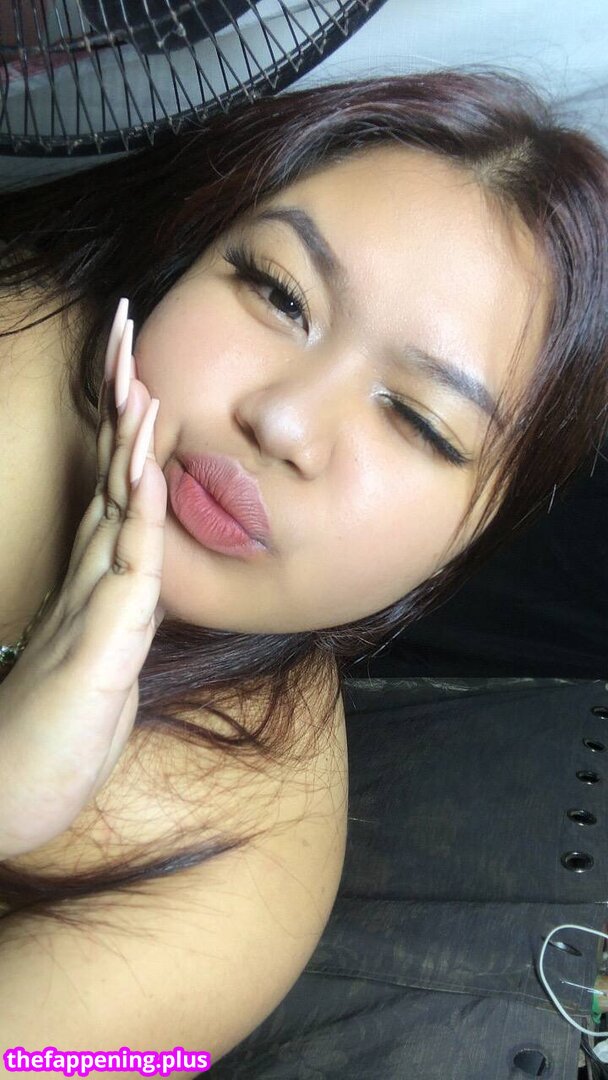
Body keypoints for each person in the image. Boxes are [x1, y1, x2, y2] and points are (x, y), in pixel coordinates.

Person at [0, 68, 607, 1071]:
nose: (281, 421)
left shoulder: (245, 876)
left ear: (474, 539)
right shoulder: (16, 357)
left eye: (419, 420)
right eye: (278, 294)